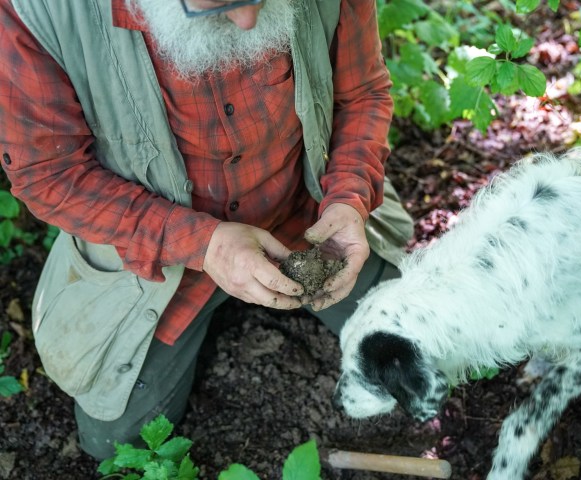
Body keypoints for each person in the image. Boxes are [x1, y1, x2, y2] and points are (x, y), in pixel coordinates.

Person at [0, 0, 413, 459]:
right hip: (160, 261)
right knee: (116, 445)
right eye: (219, 4)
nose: (248, 20)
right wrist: (204, 244)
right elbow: (49, 174)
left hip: (306, 217)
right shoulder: (39, 12)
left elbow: (362, 95)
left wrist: (349, 196)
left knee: (418, 341)